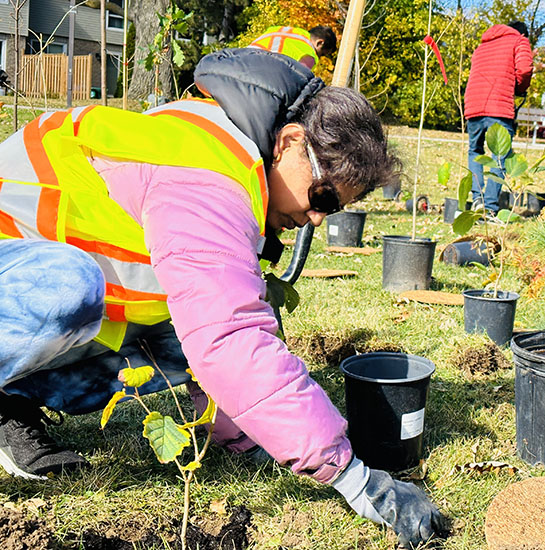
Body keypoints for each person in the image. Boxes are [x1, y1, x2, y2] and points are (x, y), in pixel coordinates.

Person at [0, 48, 448, 548]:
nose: (319, 219)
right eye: (322, 197)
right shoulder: (206, 176)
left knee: (170, 347)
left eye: (335, 208)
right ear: (290, 142)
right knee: (70, 288)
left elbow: (207, 334)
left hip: (25, 297)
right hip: (19, 278)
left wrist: (252, 439)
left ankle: (10, 402)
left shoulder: (222, 150)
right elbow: (230, 342)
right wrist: (357, 481)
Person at [464, 21, 534, 214]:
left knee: (475, 151)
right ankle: (490, 206)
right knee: (500, 156)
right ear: (523, 33)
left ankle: (477, 199)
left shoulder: (482, 46)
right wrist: (520, 88)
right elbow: (525, 69)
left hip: (474, 105)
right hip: (499, 107)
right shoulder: (519, 41)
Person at [249, 25, 337, 71]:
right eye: (322, 54)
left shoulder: (280, 30)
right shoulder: (309, 54)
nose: (319, 58)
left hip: (239, 59)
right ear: (320, 43)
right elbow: (297, 81)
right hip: (259, 73)